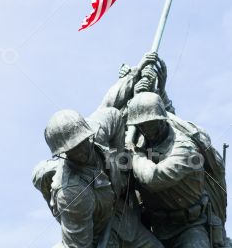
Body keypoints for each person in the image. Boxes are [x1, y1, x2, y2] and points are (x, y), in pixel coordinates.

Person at [41, 107, 164, 248]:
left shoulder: (97, 130)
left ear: (87, 135)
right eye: (72, 151)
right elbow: (79, 245)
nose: (80, 152)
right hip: (96, 236)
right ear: (63, 153)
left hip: (122, 220)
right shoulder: (71, 193)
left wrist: (120, 166)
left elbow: (115, 116)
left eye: (81, 143)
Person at [127, 91, 227, 248]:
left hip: (189, 227)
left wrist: (134, 156)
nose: (146, 130)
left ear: (161, 120)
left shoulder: (185, 148)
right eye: (141, 125)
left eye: (150, 124)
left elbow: (155, 178)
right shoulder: (140, 141)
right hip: (152, 226)